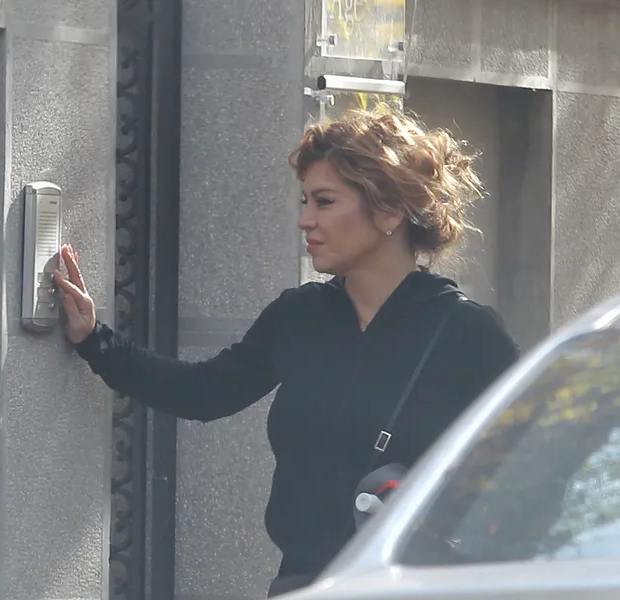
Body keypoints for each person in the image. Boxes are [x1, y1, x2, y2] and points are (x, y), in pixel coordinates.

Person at [54, 108, 520, 597]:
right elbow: (203, 393)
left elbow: (536, 467)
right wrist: (95, 340)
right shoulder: (299, 316)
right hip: (305, 584)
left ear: (388, 211)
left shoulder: (466, 332)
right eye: (305, 201)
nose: (305, 220)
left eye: (324, 201)